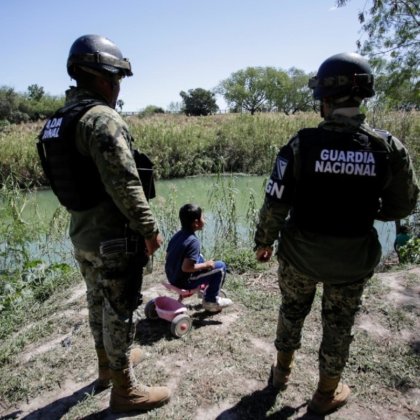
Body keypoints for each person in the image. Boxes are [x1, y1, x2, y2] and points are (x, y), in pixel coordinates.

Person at [254, 52, 419, 415]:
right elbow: (405, 204)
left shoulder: (301, 144)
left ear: (324, 101)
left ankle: (281, 374)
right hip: (352, 260)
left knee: (291, 311)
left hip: (299, 256)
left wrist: (264, 242)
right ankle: (326, 392)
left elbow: (275, 202)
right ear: (362, 98)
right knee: (338, 324)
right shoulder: (387, 147)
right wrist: (370, 210)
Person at [37, 34, 170, 413]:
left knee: (98, 304)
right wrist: (149, 228)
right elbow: (125, 182)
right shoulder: (100, 119)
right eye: (117, 79)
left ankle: (105, 368)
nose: (118, 87)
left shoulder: (58, 120)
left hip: (83, 235)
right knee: (121, 308)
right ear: (103, 77)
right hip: (114, 238)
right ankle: (124, 388)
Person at [165, 203, 233, 312]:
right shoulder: (193, 241)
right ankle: (210, 300)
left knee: (199, 257)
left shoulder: (177, 235)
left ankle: (204, 289)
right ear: (196, 223)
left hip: (172, 276)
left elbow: (168, 256)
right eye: (202, 217)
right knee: (220, 267)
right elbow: (186, 268)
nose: (204, 220)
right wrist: (206, 265)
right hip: (184, 281)